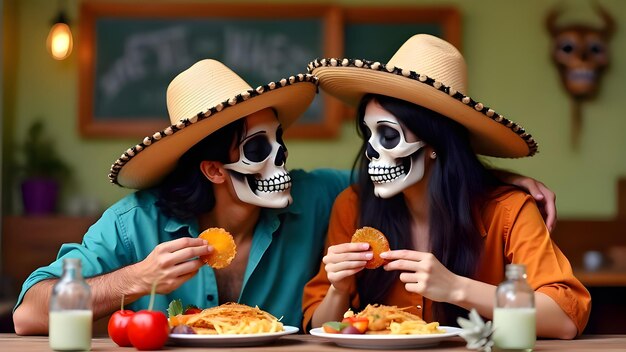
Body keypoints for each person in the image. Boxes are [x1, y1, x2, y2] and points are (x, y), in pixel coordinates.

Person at [14, 58, 556, 335]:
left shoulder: (321, 196)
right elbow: (29, 315)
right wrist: (135, 279)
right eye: (257, 149)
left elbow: (409, 172)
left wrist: (495, 182)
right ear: (213, 169)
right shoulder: (136, 222)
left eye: (280, 143)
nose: (281, 165)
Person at [302, 34, 590, 339]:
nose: (371, 152)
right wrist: (339, 288)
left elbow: (564, 318)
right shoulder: (352, 205)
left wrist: (455, 287)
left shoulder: (509, 211)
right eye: (368, 134)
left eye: (388, 136)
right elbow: (318, 326)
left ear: (434, 144)